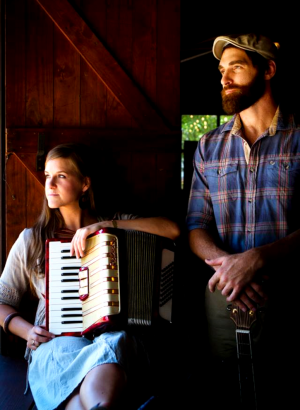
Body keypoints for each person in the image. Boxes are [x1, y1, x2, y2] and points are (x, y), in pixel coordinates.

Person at [0, 142, 180, 410]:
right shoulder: (33, 239)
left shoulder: (116, 226)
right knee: (71, 360)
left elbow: (172, 230)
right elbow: (1, 301)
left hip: (112, 337)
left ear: (84, 184)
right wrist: (28, 332)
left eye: (61, 176)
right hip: (54, 342)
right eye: (48, 175)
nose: (50, 184)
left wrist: (105, 225)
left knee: (114, 344)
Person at [186, 33, 300, 408]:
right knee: (227, 392)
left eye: (236, 67)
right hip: (225, 297)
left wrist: (258, 260)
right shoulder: (208, 146)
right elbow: (195, 227)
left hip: (288, 299)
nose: (224, 78)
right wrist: (231, 267)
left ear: (267, 70)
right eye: (222, 70)